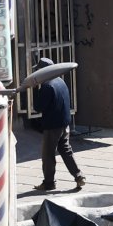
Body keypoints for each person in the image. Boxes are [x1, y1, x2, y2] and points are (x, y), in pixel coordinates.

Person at [32, 57, 86, 191]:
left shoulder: (46, 86)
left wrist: (35, 90)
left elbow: (38, 107)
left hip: (52, 126)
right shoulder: (60, 81)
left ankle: (49, 183)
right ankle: (79, 176)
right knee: (66, 150)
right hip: (64, 123)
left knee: (48, 155)